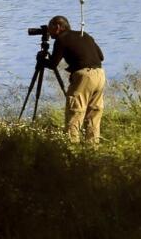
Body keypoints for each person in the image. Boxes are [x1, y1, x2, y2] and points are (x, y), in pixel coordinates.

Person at [43, 15, 106, 143]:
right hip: (100, 74)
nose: (49, 32)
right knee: (94, 114)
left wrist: (41, 60)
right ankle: (92, 150)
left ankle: (72, 151)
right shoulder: (84, 35)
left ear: (58, 27)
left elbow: (53, 64)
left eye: (50, 28)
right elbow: (101, 56)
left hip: (84, 76)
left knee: (75, 113)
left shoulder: (61, 39)